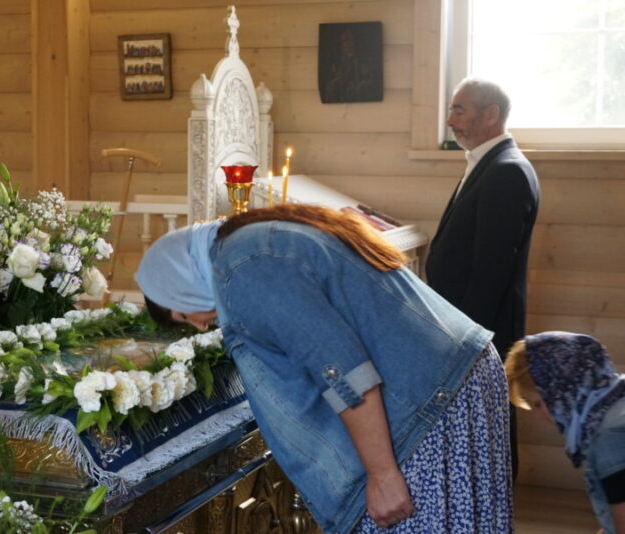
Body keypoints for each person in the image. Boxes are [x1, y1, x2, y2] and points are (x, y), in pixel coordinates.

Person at [136, 204, 512, 533]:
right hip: (450, 378)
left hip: (430, 402)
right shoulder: (249, 242)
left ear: (180, 281)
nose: (199, 325)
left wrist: (381, 474)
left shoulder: (243, 268)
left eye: (182, 314)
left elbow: (345, 372)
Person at [425, 77, 540, 476]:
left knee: (489, 430)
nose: (450, 120)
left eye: (459, 110)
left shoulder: (506, 171)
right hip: (466, 327)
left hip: (479, 330)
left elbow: (491, 270)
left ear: (491, 115)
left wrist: (466, 340)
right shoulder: (488, 164)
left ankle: (494, 502)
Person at [505, 332, 625, 534]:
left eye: (538, 404)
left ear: (561, 391)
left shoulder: (608, 440)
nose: (539, 417)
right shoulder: (615, 400)